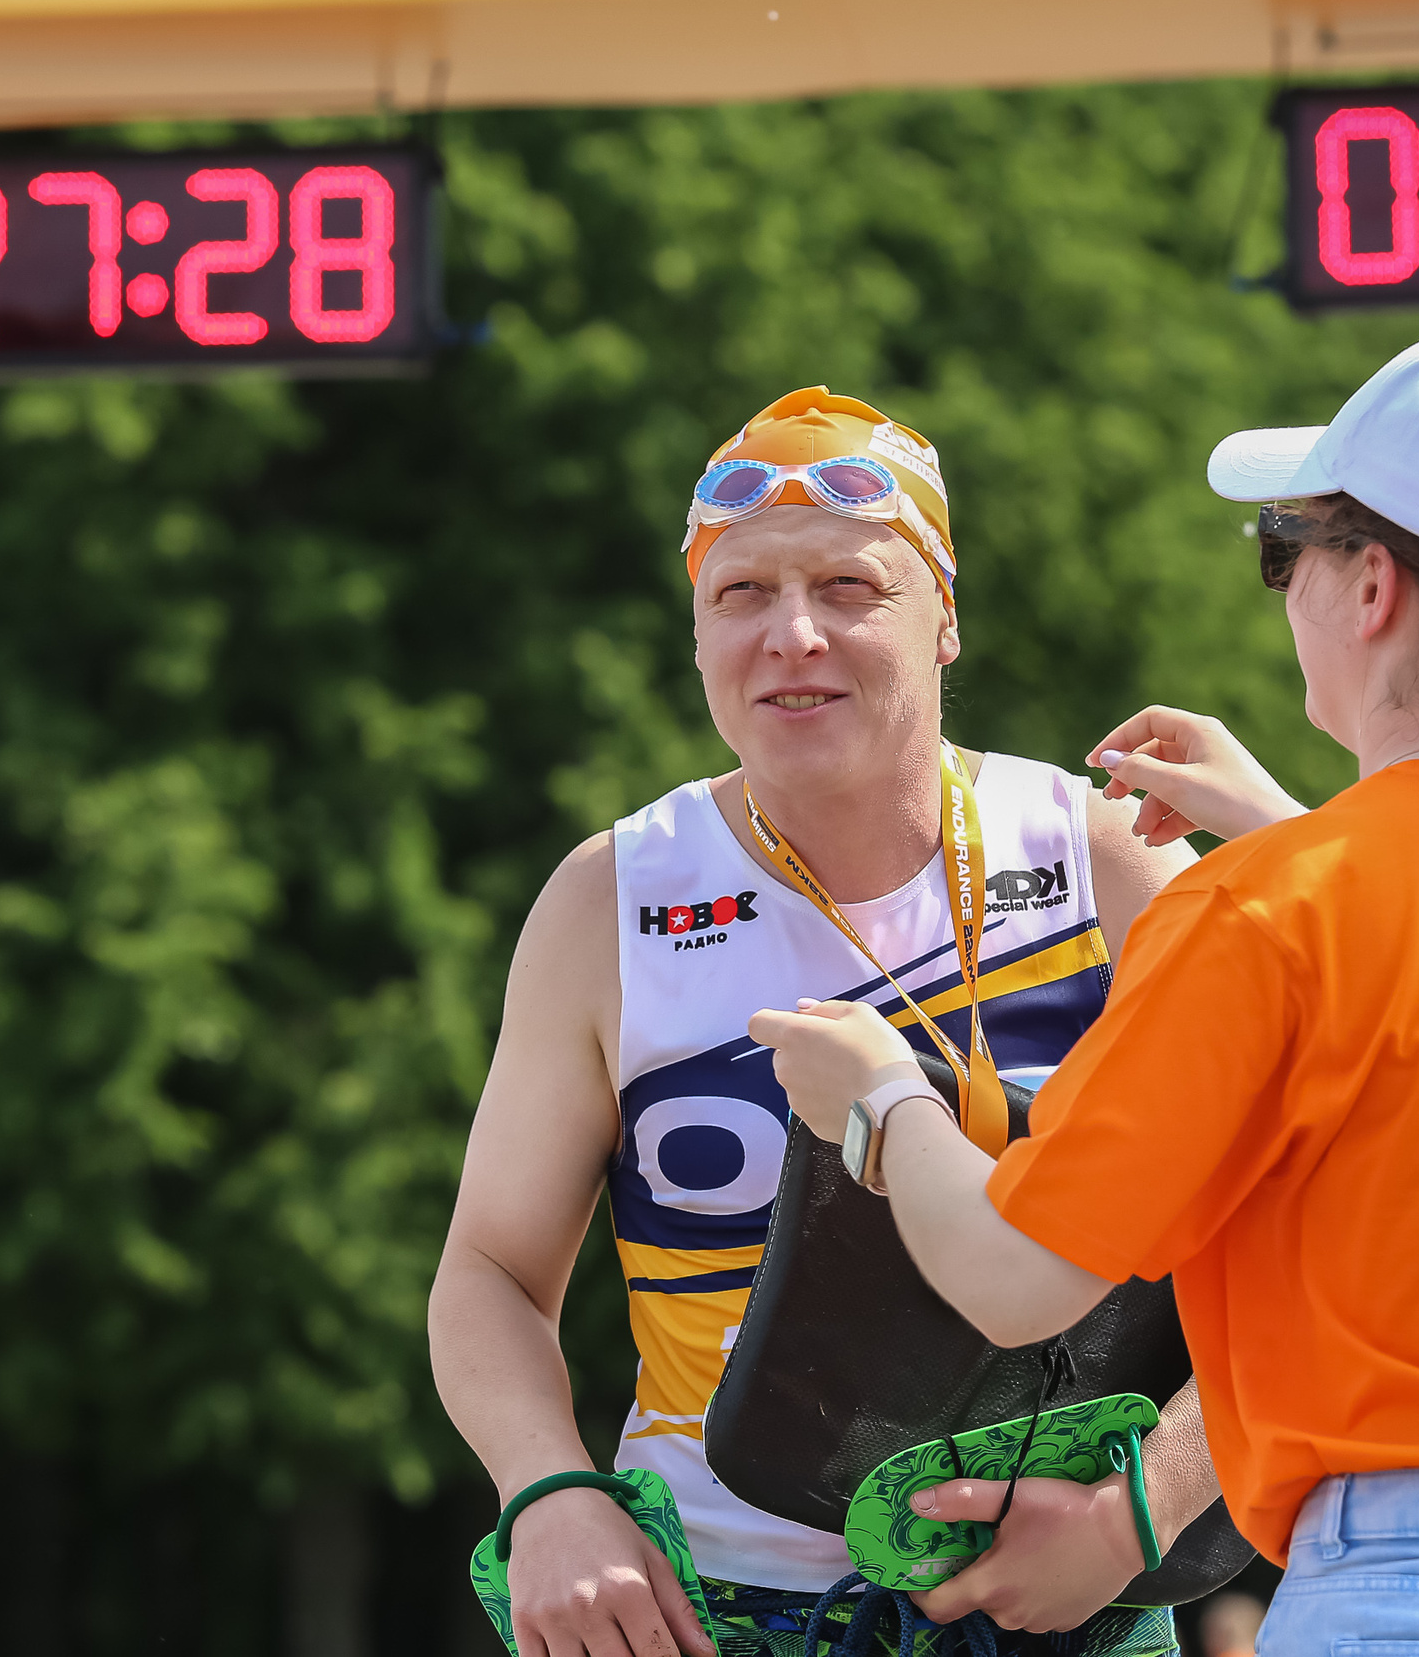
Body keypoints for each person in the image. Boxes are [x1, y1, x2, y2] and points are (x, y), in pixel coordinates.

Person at [754, 331, 1419, 1653]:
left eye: (1286, 549)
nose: (1281, 586)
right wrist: (1286, 832)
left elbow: (1016, 1276)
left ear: (1371, 583)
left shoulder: (1270, 911)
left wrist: (875, 1099)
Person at [429, 387, 1224, 1657]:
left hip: (1060, 1593)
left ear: (943, 618)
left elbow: (1301, 1253)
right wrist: (548, 1494)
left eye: (849, 587)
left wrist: (1143, 1513)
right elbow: (488, 1273)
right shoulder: (612, 896)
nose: (791, 634)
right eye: (740, 595)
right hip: (708, 1603)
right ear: (695, 636)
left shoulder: (1107, 860)